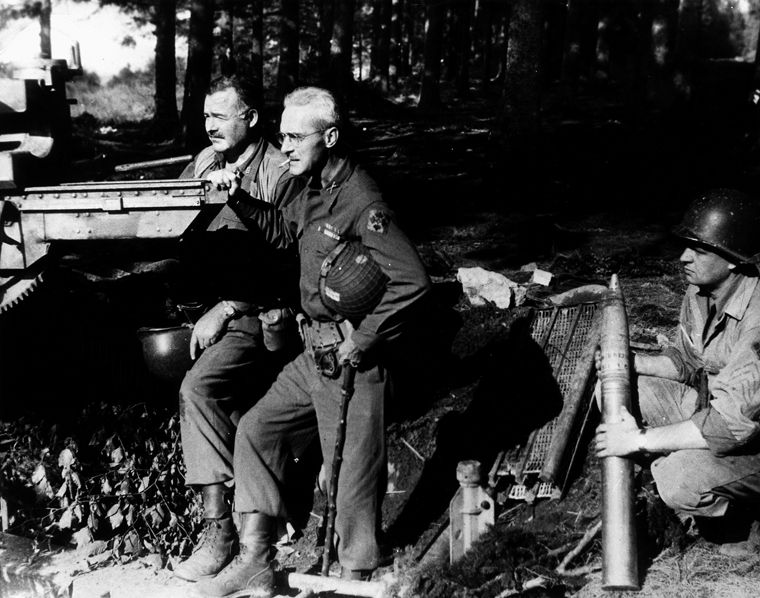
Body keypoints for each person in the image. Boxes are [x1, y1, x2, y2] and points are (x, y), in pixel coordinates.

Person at [194, 86, 432, 598]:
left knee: (349, 475)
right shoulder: (311, 186)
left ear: (330, 136)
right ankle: (257, 559)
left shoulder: (361, 199)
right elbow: (284, 232)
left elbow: (412, 280)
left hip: (353, 359)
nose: (286, 145)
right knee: (256, 430)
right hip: (314, 352)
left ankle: (356, 575)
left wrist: (366, 337)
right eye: (281, 135)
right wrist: (236, 196)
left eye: (295, 136)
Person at [173, 74, 303, 582]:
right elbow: (175, 225)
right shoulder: (205, 164)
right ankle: (232, 527)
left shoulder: (279, 170)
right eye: (206, 116)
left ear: (250, 119)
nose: (210, 127)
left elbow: (294, 258)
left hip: (266, 314)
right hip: (217, 309)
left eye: (221, 116)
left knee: (197, 388)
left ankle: (226, 533)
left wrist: (226, 307)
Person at [595, 188, 760, 553]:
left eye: (699, 250)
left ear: (732, 259)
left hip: (748, 439)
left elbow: (730, 426)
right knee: (616, 389)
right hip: (715, 414)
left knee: (677, 477)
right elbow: (688, 361)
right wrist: (631, 365)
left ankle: (746, 522)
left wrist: (639, 440)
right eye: (685, 245)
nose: (684, 258)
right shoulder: (702, 290)